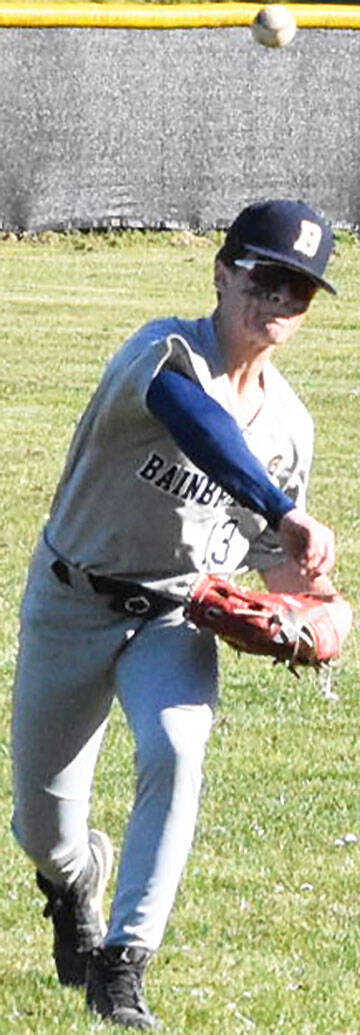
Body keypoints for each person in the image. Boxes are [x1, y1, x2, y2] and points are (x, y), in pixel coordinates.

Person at [12, 198, 340, 1029]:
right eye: (266, 278)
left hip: (176, 617)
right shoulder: (160, 353)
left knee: (179, 746)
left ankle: (125, 961)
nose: (277, 302)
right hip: (73, 601)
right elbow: (199, 427)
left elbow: (279, 566)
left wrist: (318, 613)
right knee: (42, 829)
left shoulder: (291, 428)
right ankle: (74, 878)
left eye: (298, 292)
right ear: (223, 273)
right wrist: (282, 506)